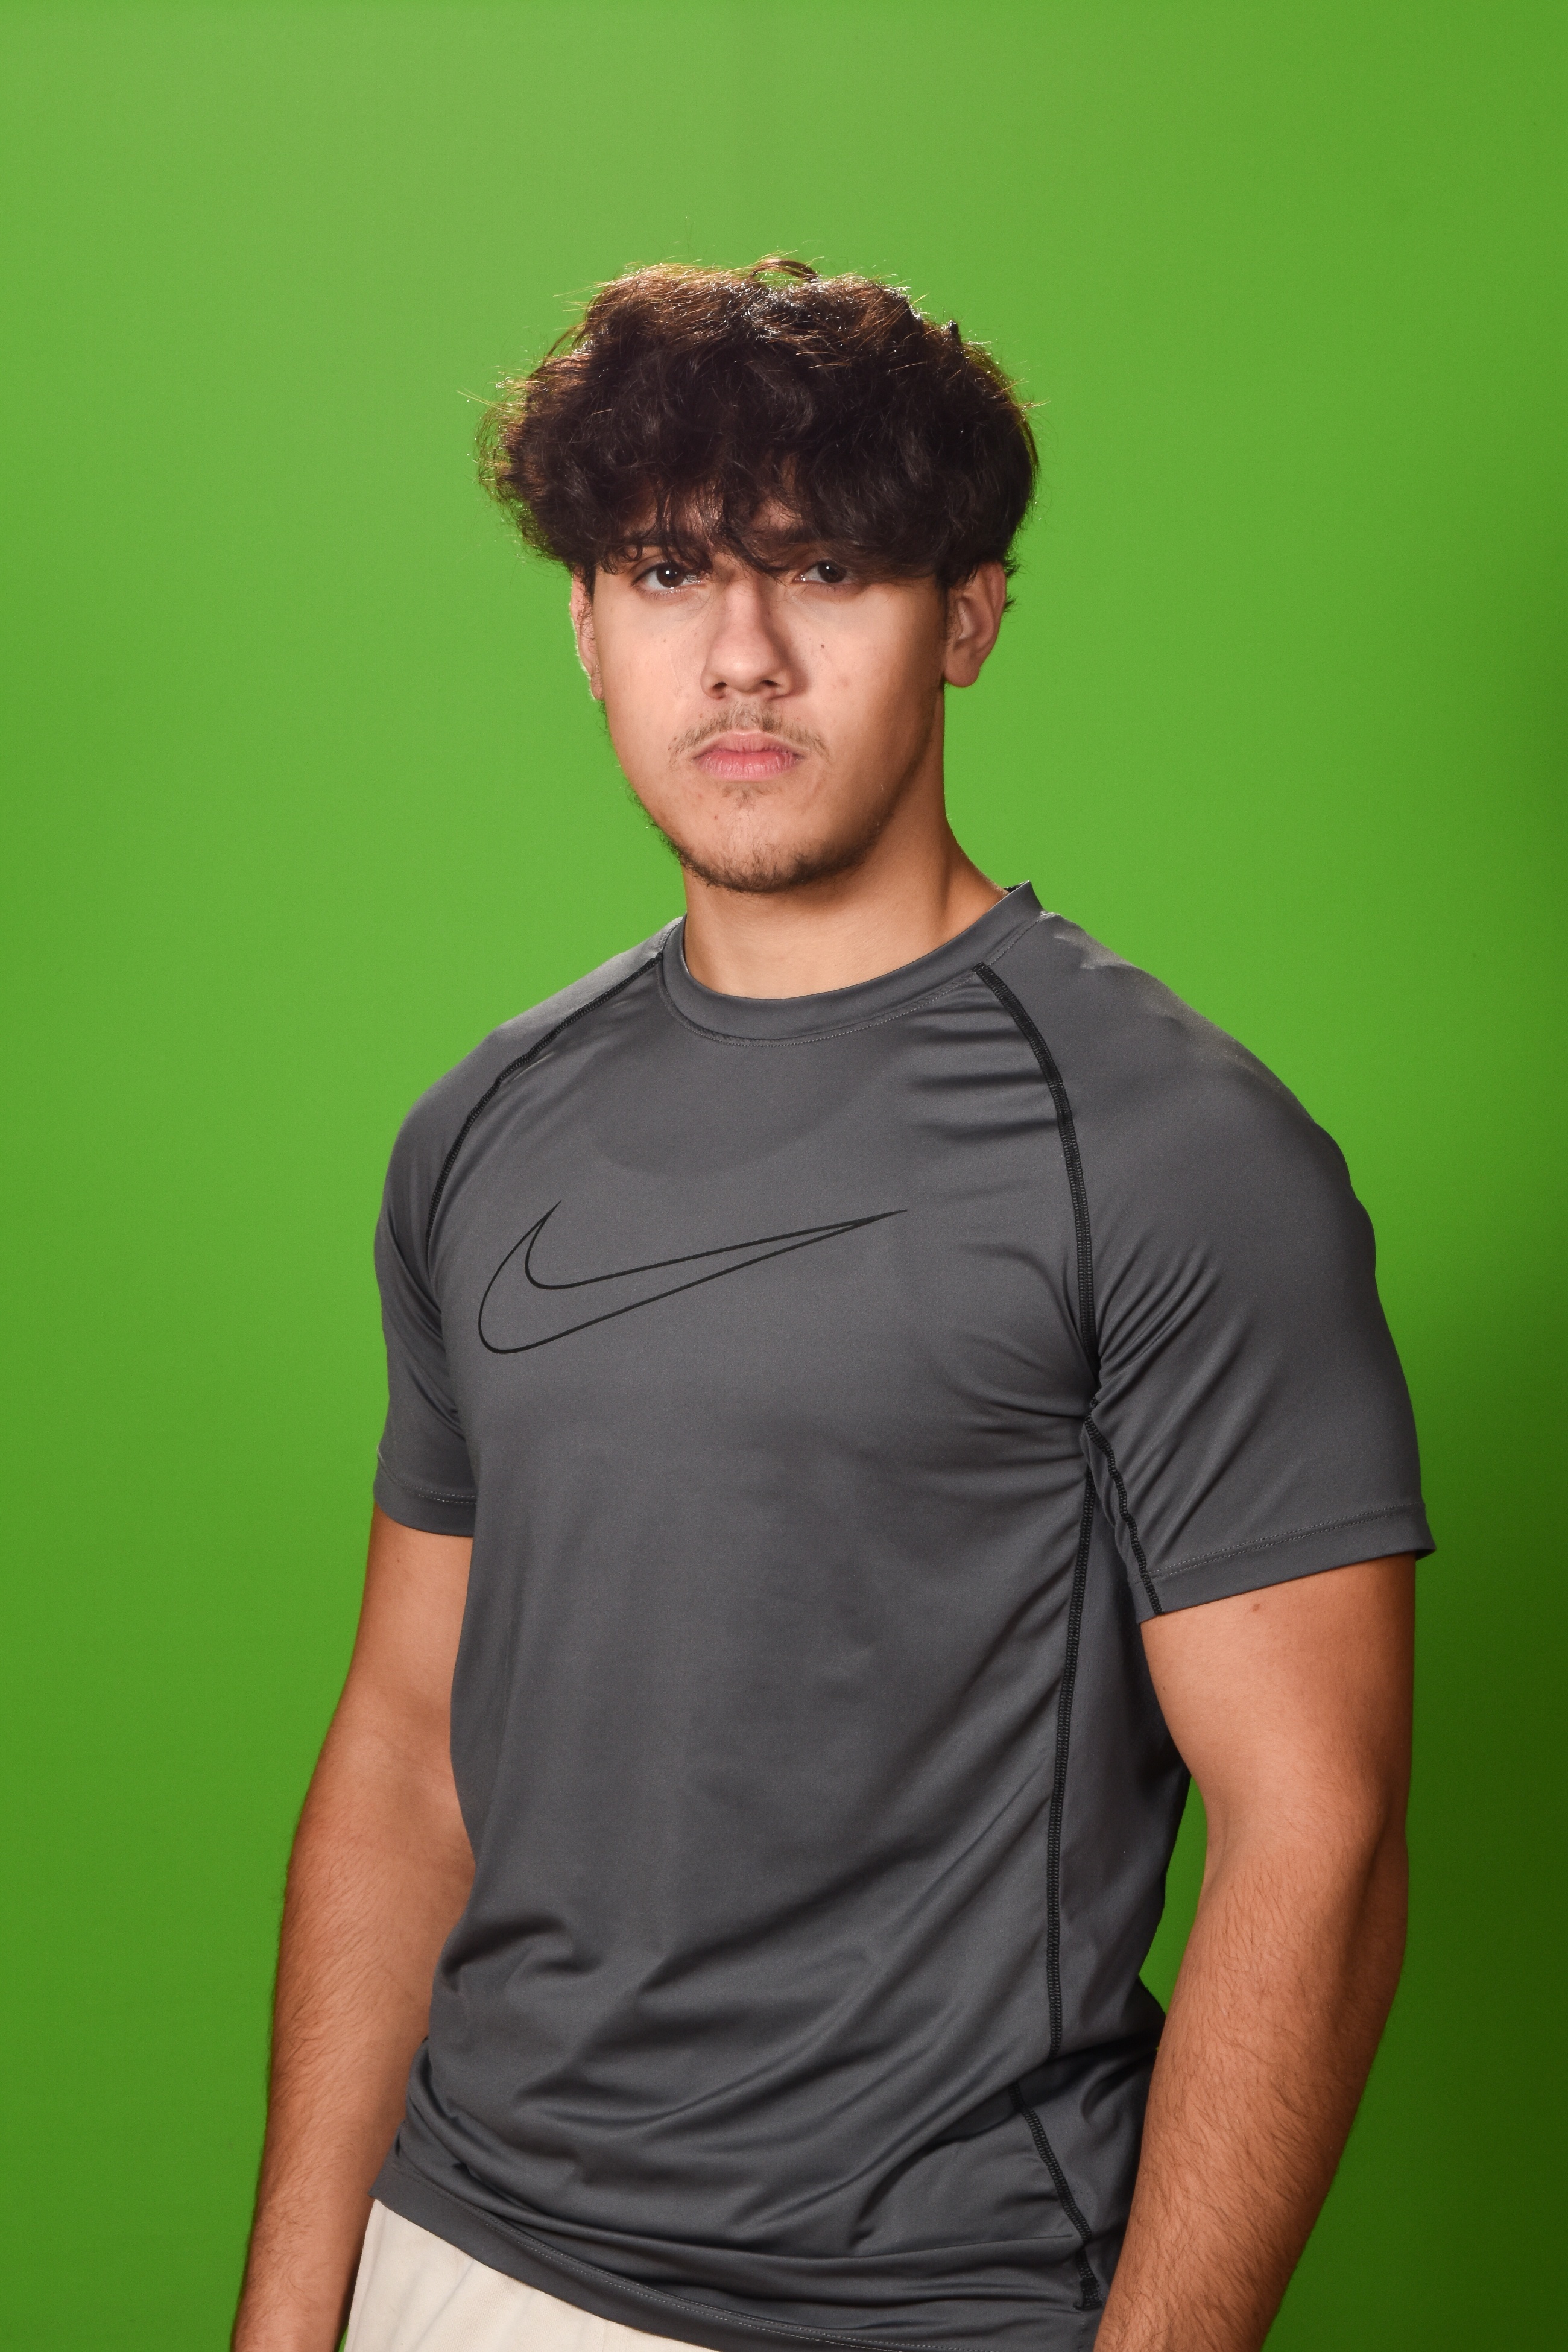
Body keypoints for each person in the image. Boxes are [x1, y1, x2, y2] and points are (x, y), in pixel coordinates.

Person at [232, 259, 1430, 2352]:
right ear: (585, 626)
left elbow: (1314, 1837)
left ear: (966, 617)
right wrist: (292, 2312)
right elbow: (408, 1754)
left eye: (829, 568)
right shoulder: (482, 1127)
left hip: (926, 2303)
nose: (745, 656)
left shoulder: (1171, 1150)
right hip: (459, 2255)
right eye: (669, 570)